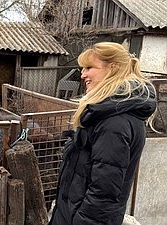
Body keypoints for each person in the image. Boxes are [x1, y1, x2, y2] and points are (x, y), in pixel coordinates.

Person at [49, 42, 156, 225]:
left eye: (89, 67)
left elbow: (103, 193)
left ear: (112, 68)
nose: (83, 74)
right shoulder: (106, 113)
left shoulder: (114, 123)